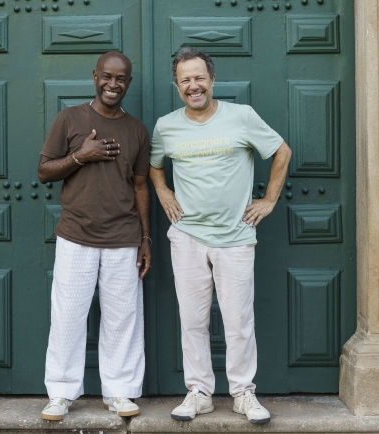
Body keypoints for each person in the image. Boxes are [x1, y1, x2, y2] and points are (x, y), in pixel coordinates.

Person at [149, 47, 292, 425]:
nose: (193, 86)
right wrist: (163, 192)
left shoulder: (241, 117)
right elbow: (154, 165)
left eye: (199, 78)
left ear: (212, 80)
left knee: (237, 319)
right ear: (177, 85)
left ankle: (243, 392)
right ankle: (199, 392)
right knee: (193, 319)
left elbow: (281, 152)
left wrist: (269, 200)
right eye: (185, 80)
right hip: (188, 236)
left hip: (235, 236)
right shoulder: (166, 125)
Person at [37, 52, 151, 421]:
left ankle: (119, 392)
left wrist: (146, 238)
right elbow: (44, 171)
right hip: (76, 235)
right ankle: (60, 393)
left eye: (121, 78)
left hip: (123, 237)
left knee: (123, 319)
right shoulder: (70, 118)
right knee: (68, 316)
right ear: (95, 77)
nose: (113, 84)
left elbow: (140, 185)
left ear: (128, 83)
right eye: (107, 76)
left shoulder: (136, 129)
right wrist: (80, 156)